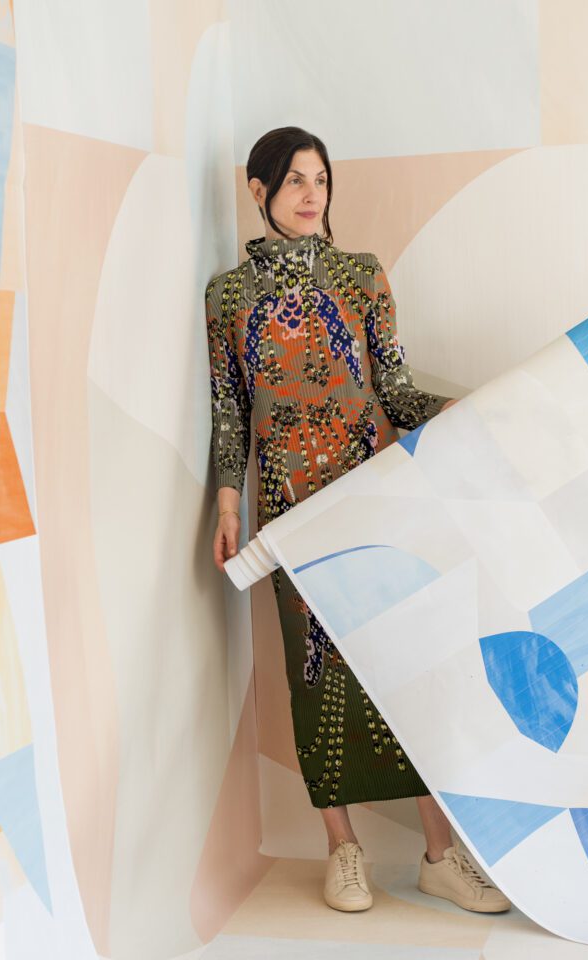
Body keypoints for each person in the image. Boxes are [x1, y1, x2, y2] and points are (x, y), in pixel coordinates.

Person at [205, 126, 510, 915]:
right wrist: (229, 502)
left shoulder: (361, 276)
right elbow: (230, 408)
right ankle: (342, 850)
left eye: (322, 180)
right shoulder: (228, 296)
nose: (312, 195)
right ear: (258, 188)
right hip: (291, 511)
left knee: (408, 663)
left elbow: (399, 393)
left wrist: (484, 413)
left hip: (374, 497)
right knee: (315, 678)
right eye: (296, 181)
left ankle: (440, 854)